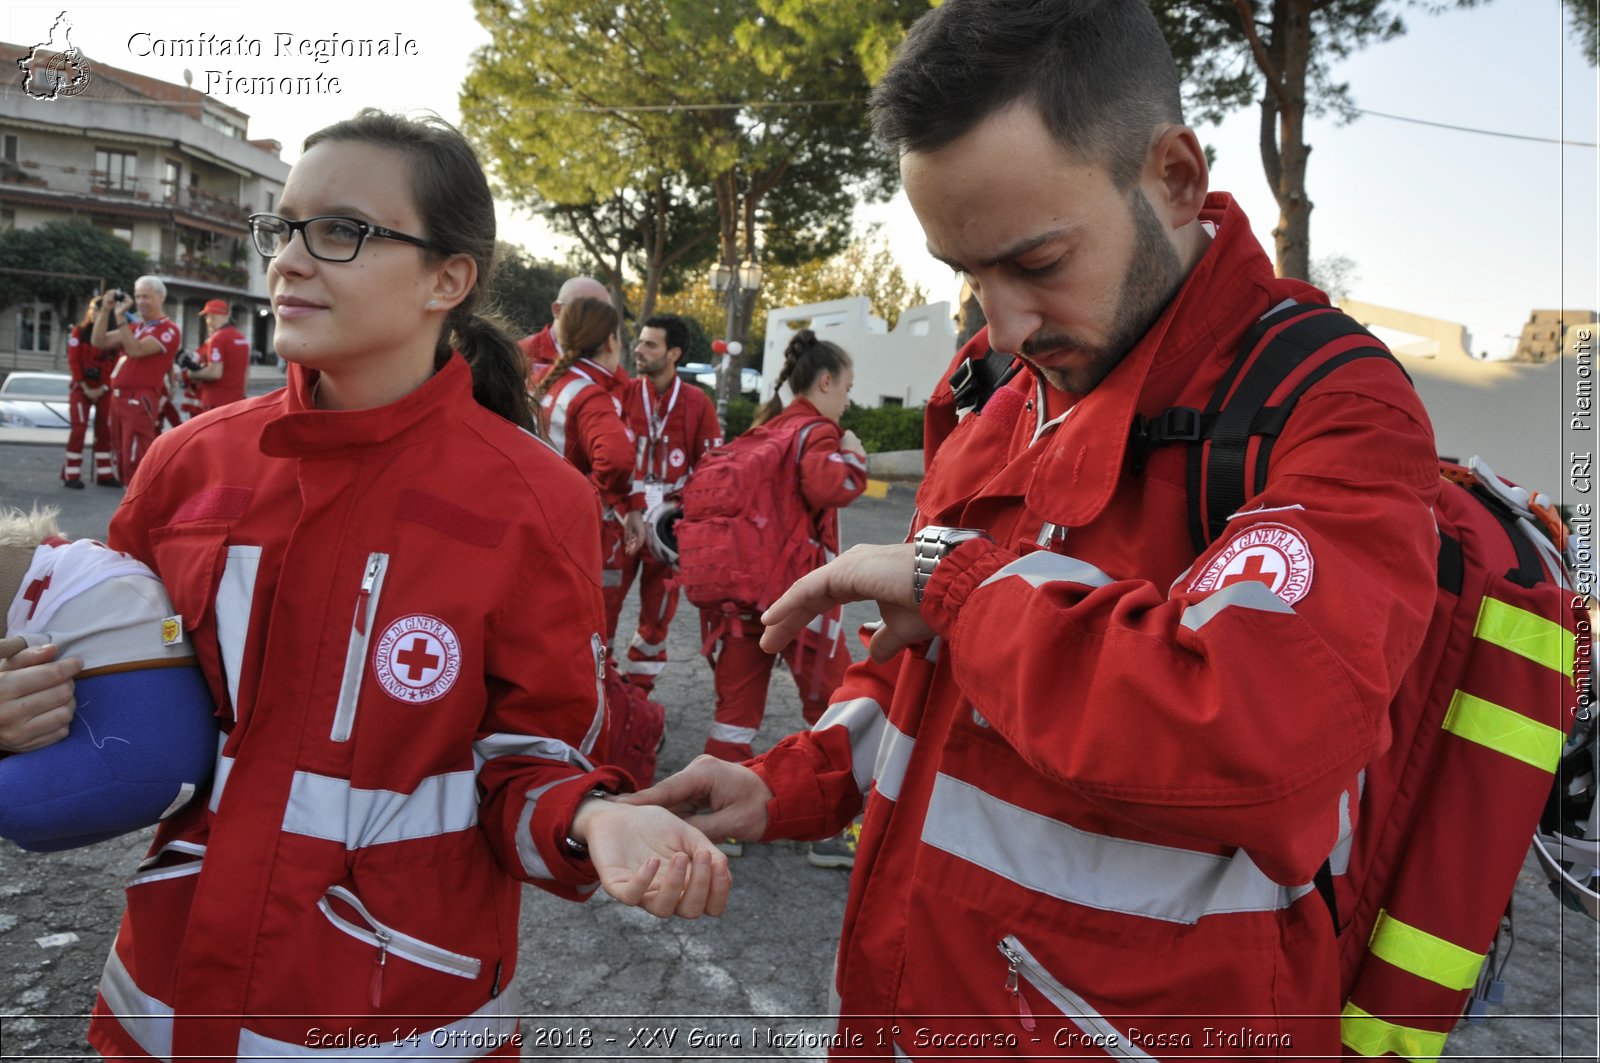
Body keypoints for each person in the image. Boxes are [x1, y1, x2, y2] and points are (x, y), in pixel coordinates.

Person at [629, 0, 1439, 1057]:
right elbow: (926, 677)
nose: (1001, 324)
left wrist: (957, 581)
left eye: (1038, 262)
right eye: (966, 274)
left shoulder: (1331, 406)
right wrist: (796, 778)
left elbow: (1257, 738)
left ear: (1175, 178)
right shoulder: (1001, 397)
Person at [0, 110, 732, 1061]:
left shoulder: (531, 500)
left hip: (397, 1017)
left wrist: (593, 817)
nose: (290, 262)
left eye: (341, 232)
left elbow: (526, 759)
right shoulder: (190, 464)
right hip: (167, 1003)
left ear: (449, 279)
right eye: (284, 227)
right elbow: (97, 678)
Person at [695, 329, 866, 764]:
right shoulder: (818, 432)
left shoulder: (767, 428)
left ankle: (716, 793)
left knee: (735, 709)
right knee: (839, 699)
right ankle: (848, 796)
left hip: (744, 592)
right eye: (846, 389)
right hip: (795, 596)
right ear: (825, 382)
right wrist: (853, 453)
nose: (847, 401)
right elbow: (832, 485)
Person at [617, 313, 721, 692]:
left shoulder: (697, 404)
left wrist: (683, 519)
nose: (639, 349)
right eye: (640, 342)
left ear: (673, 353)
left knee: (656, 622)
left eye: (649, 344)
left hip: (668, 532)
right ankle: (601, 698)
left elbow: (711, 473)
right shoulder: (624, 394)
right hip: (619, 523)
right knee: (599, 612)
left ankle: (637, 700)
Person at [533, 296, 647, 639]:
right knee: (586, 632)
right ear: (611, 341)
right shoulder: (592, 394)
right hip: (578, 531)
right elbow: (617, 458)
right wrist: (593, 493)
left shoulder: (546, 383)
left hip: (539, 521)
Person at [91, 275, 180, 485]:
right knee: (121, 456)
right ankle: (130, 500)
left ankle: (139, 506)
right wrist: (105, 309)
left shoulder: (168, 329)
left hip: (139, 399)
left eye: (146, 296)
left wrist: (121, 317)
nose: (140, 301)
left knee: (136, 458)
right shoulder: (137, 328)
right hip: (119, 400)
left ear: (160, 297)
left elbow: (135, 349)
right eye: (138, 296)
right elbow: (99, 340)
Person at [61, 297, 119, 488]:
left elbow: (114, 364)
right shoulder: (78, 332)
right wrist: (85, 387)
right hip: (81, 387)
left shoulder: (112, 336)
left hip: (104, 388)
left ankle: (105, 473)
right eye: (93, 309)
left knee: (105, 430)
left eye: (99, 310)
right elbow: (73, 360)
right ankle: (71, 474)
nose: (94, 313)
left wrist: (102, 388)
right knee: (79, 429)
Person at [518, 274, 612, 384]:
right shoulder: (521, 354)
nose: (596, 321)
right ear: (557, 310)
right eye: (585, 311)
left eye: (604, 315)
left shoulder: (605, 357)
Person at [187, 297, 251, 411]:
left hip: (215, 403)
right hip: (236, 401)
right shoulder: (242, 338)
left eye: (206, 317)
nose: (207, 321)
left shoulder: (217, 338)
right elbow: (246, 371)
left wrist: (191, 374)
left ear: (210, 316)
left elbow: (215, 373)